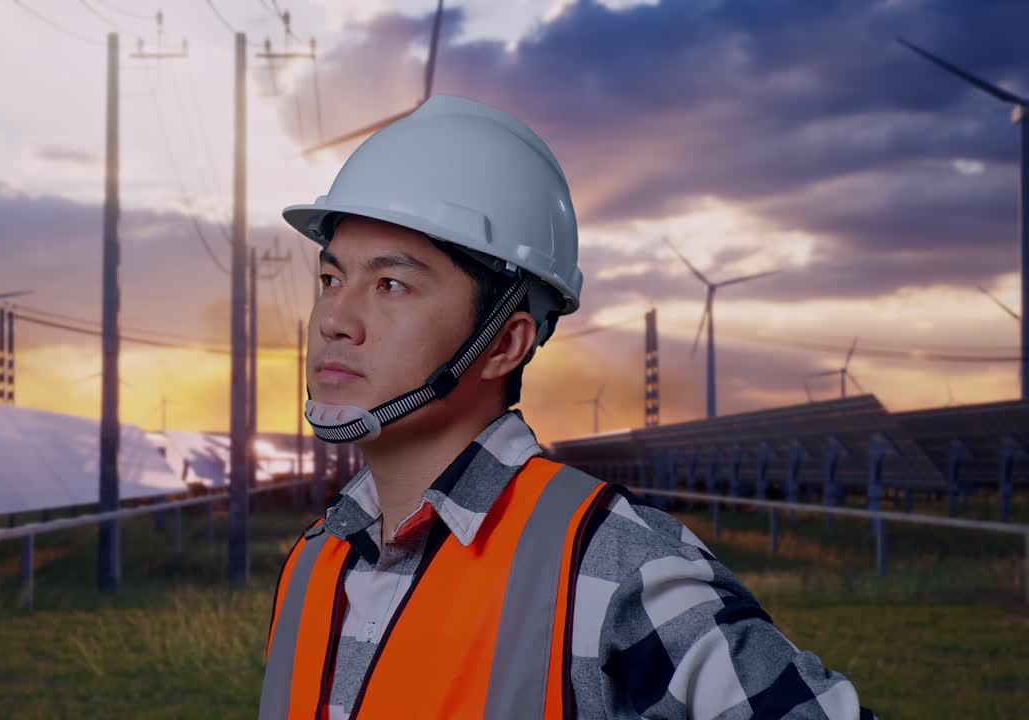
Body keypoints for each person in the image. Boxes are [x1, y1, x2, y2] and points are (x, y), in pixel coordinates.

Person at [259, 94, 875, 719]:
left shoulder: (611, 567)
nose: (334, 320)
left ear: (503, 343)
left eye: (392, 285)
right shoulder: (315, 562)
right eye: (331, 280)